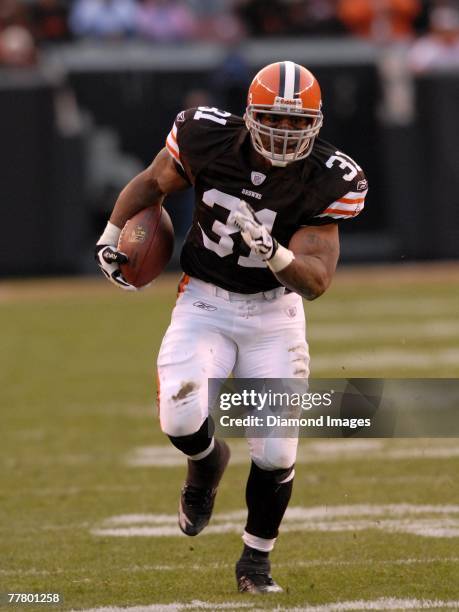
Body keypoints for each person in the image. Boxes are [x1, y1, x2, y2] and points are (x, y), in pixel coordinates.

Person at [95, 61, 368, 593]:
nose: (285, 132)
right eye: (273, 119)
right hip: (204, 302)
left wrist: (276, 253)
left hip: (274, 314)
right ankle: (205, 463)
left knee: (275, 452)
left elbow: (314, 281)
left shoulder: (331, 176)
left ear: (316, 123)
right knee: (179, 418)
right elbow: (152, 184)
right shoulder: (206, 136)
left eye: (297, 123)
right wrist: (110, 236)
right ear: (249, 114)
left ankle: (255, 564)